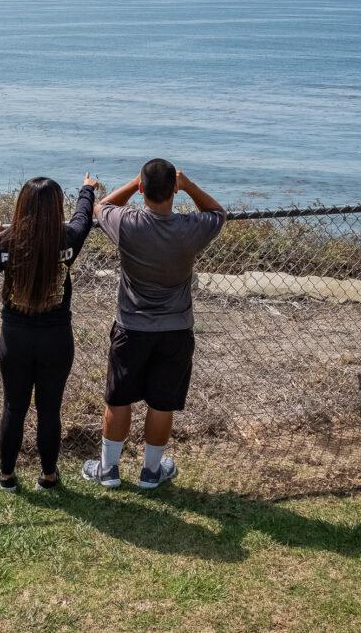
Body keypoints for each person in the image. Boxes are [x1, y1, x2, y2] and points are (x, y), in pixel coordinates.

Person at [81, 159, 226, 489]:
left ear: (143, 189)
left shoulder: (127, 224)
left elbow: (101, 206)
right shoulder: (189, 228)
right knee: (162, 403)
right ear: (173, 189)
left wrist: (133, 185)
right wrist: (189, 186)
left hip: (131, 327)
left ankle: (109, 470)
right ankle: (150, 472)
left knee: (119, 400)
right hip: (175, 329)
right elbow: (218, 214)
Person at [0, 174, 99, 492]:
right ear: (57, 206)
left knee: (14, 407)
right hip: (56, 338)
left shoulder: (7, 241)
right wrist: (87, 189)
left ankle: (7, 476)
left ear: (22, 205)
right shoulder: (68, 238)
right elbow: (83, 216)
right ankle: (48, 476)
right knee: (49, 408)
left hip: (15, 338)